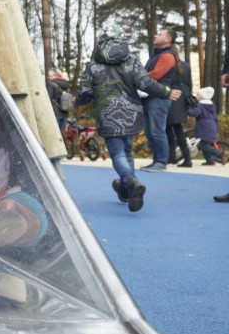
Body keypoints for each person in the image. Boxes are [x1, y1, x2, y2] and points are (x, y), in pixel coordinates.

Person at [76, 30, 180, 212]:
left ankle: (129, 181)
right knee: (127, 151)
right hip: (131, 112)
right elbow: (145, 83)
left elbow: (85, 93)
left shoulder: (93, 66)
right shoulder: (131, 60)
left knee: (117, 154)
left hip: (107, 114)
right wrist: (166, 92)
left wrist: (78, 101)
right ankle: (127, 190)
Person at [141, 28, 178, 172]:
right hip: (150, 96)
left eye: (160, 34)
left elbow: (155, 75)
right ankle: (156, 160)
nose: (155, 35)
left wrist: (137, 78)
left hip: (159, 98)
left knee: (157, 131)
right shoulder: (157, 55)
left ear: (168, 39)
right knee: (150, 131)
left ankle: (162, 162)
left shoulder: (168, 56)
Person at [165, 47, 193, 167]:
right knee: (178, 128)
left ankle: (172, 157)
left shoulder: (169, 66)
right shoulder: (186, 66)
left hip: (171, 96)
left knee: (168, 128)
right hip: (182, 98)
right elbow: (189, 83)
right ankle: (186, 157)